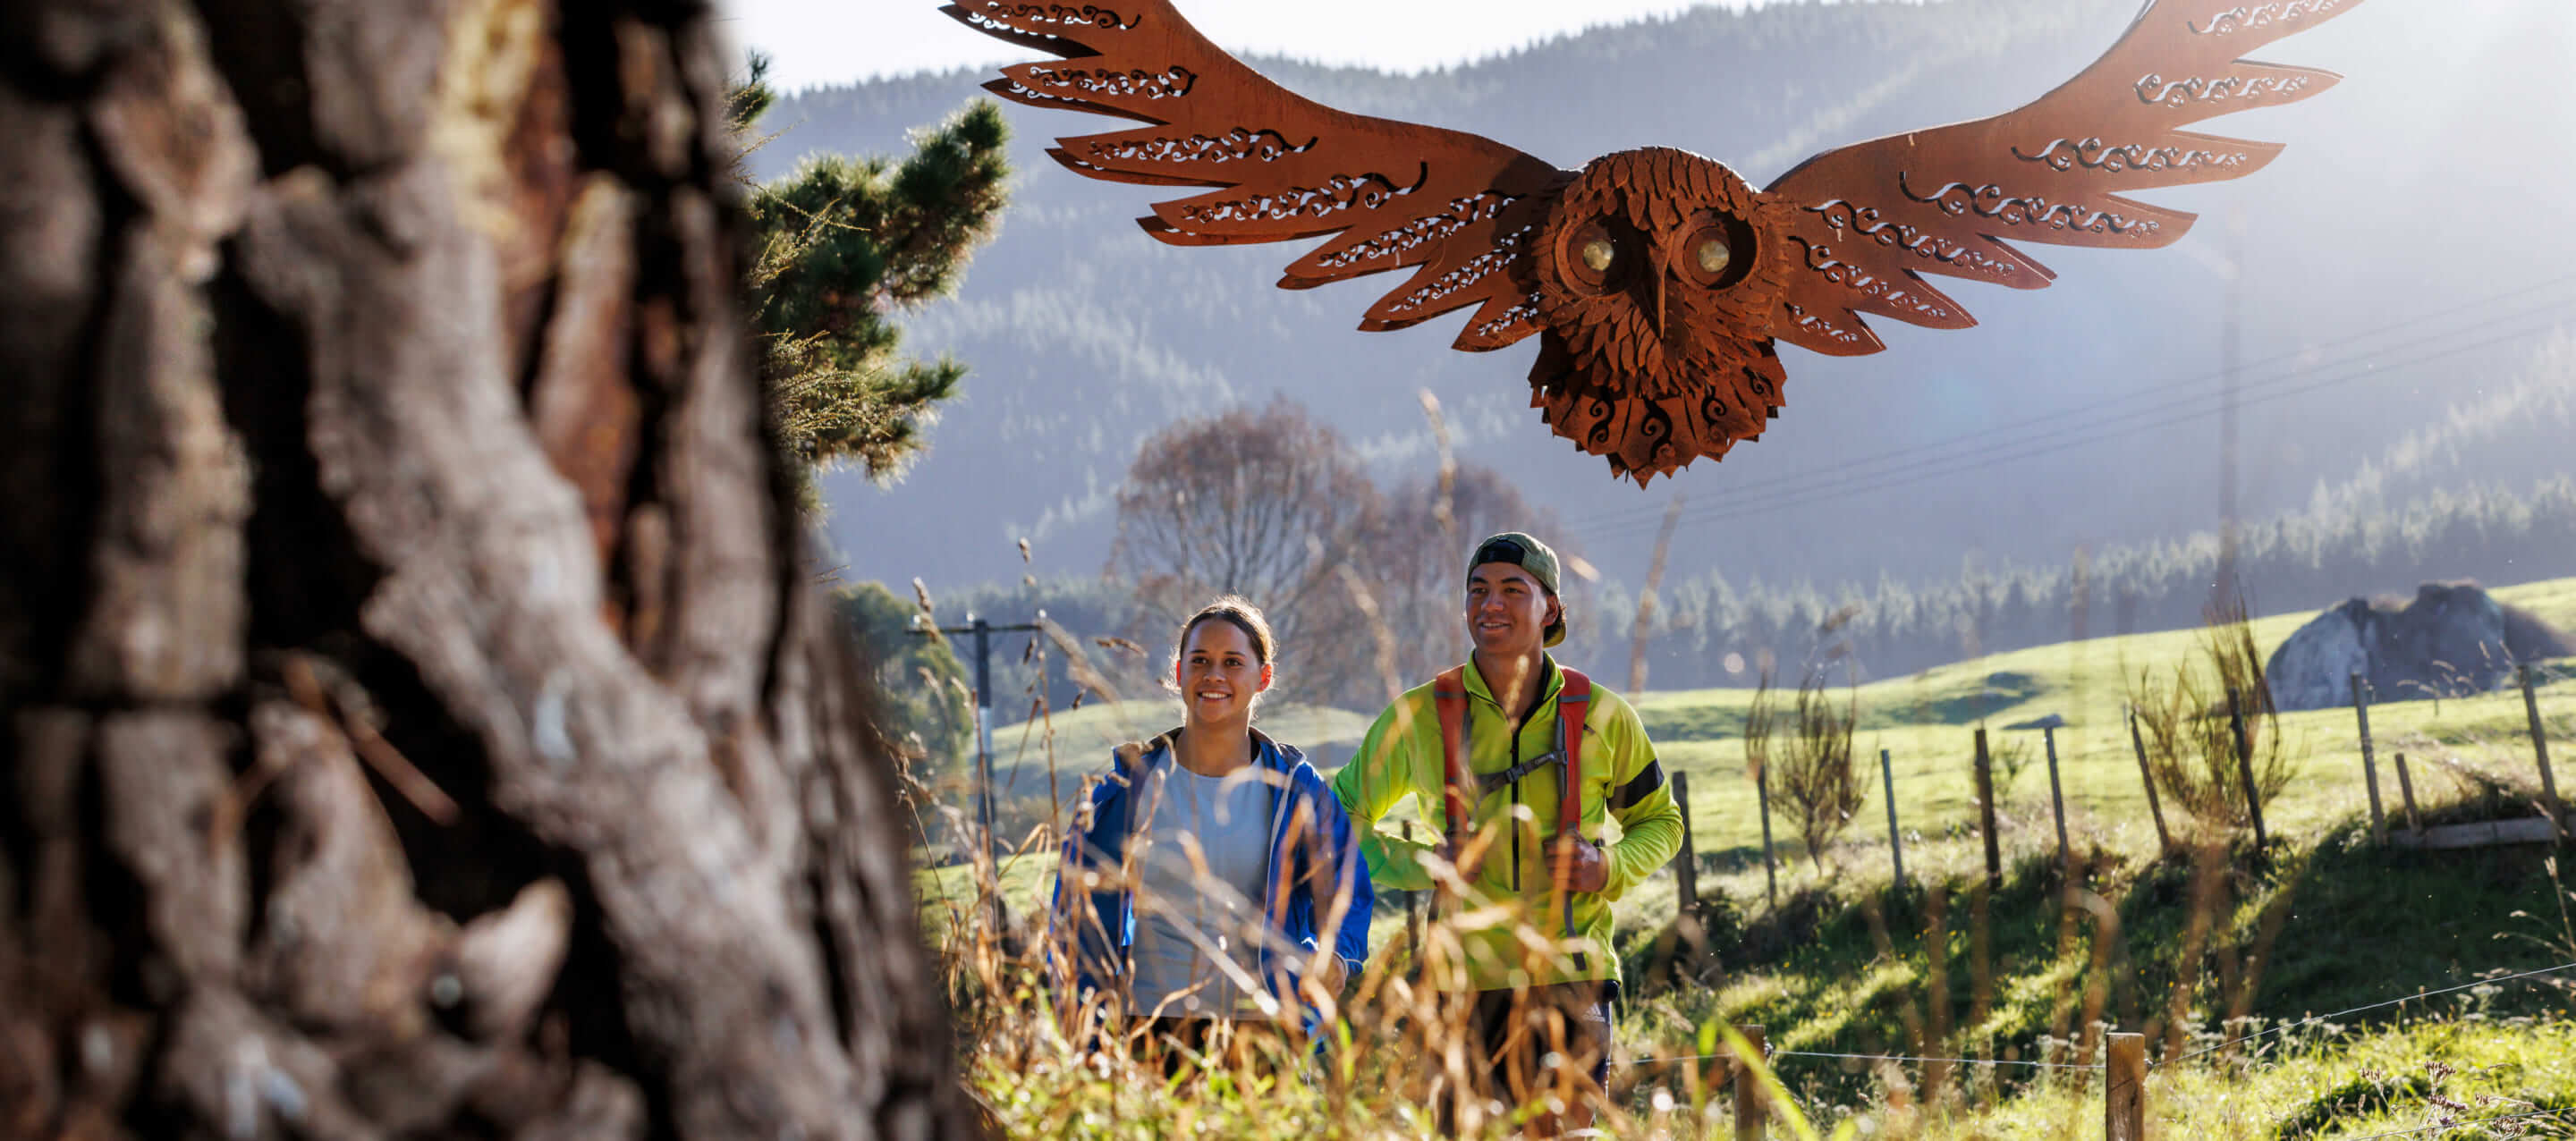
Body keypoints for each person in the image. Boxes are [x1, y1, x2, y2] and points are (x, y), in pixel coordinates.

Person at [1331, 532, 1684, 1131]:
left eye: (1512, 590)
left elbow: (1661, 822)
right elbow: (1336, 825)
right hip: (1460, 987)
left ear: (1551, 608)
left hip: (1574, 981)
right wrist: (1425, 865)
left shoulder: (1602, 714)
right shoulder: (1418, 716)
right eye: (1478, 590)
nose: (1490, 604)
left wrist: (1609, 868)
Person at [1049, 596, 1373, 1072]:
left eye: (1232, 663)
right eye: (1199, 661)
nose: (1213, 675)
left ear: (1263, 677)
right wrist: (1082, 1019)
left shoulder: (1293, 789)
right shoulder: (1129, 786)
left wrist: (1337, 960)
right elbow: (1073, 906)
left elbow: (1345, 885)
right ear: (1178, 674)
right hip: (1145, 1031)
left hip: (1262, 1033)